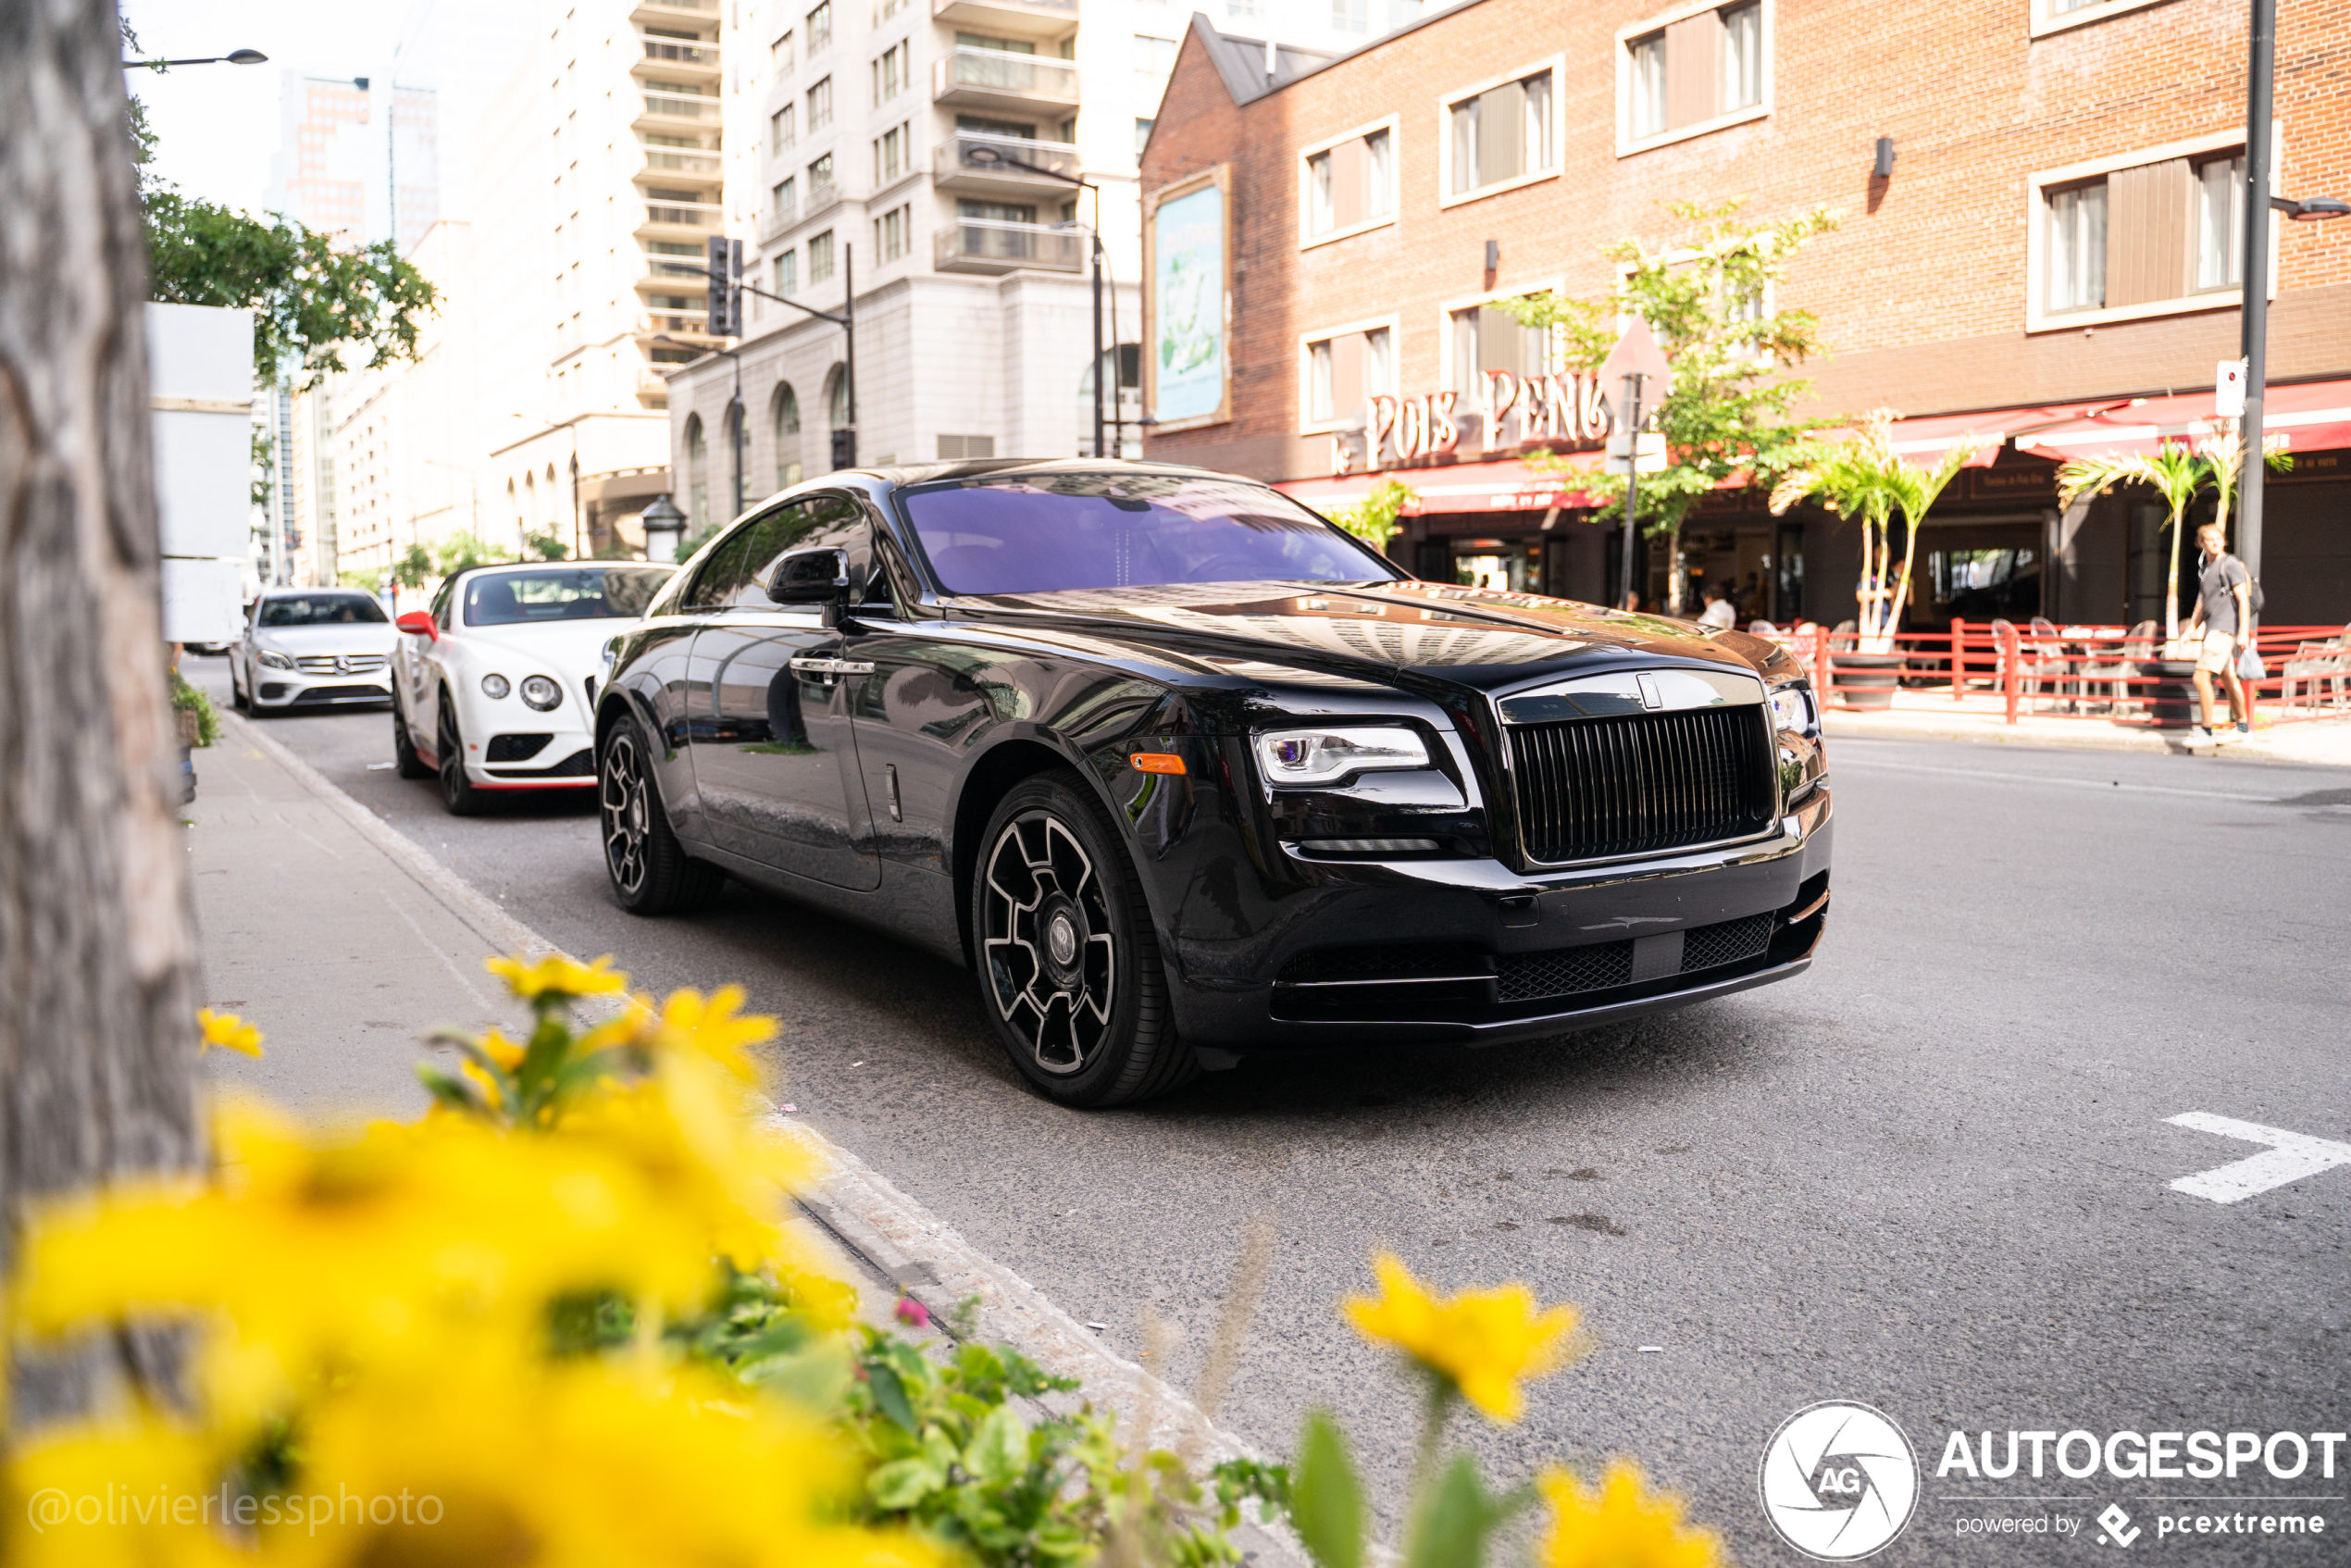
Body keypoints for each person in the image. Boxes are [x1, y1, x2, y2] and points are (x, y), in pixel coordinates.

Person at [2182, 520, 2253, 742]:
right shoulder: (2207, 569)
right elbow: (2201, 604)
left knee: (2200, 678)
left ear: (2224, 541)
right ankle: (2243, 729)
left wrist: (2243, 632)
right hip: (2214, 629)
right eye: (2209, 539)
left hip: (2223, 630)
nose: (2214, 543)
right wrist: (2190, 630)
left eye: (2218, 539)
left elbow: (2243, 599)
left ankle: (2206, 729)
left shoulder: (2229, 564)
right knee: (2229, 679)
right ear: (2201, 543)